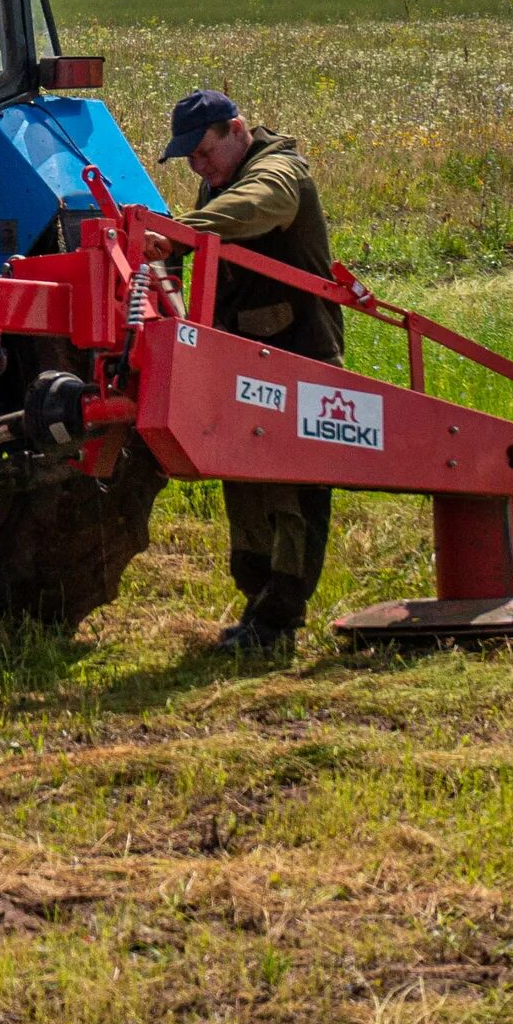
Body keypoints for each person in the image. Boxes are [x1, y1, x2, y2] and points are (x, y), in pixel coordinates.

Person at [157, 88, 343, 653]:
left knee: (293, 490)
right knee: (243, 484)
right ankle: (257, 604)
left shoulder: (280, 172)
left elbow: (258, 206)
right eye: (189, 157)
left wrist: (180, 233)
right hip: (241, 360)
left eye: (204, 151)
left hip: (297, 353)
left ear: (236, 129)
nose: (198, 165)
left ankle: (281, 615)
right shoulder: (219, 182)